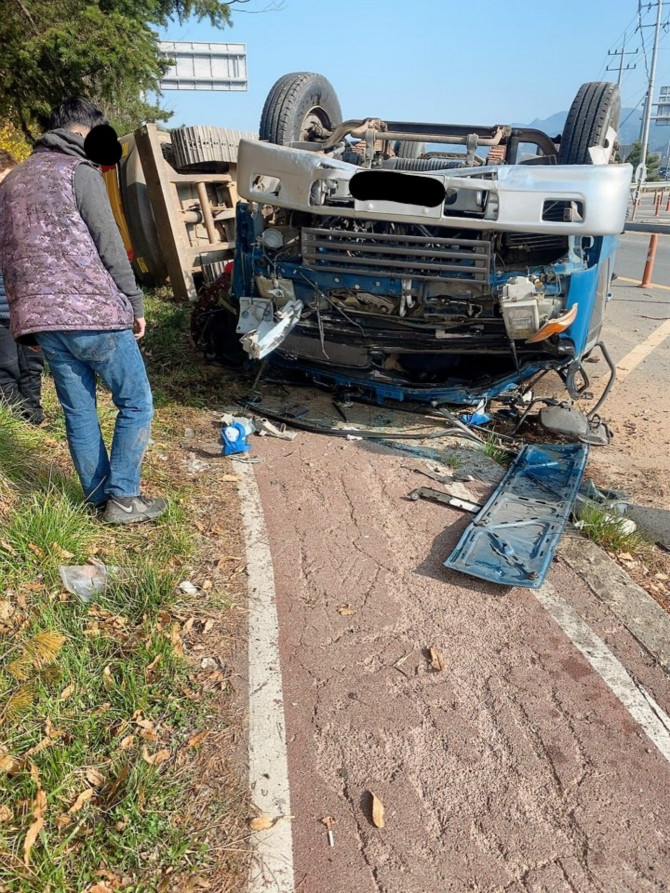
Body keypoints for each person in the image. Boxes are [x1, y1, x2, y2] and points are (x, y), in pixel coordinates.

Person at [0, 98, 166, 524]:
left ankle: (97, 497)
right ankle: (125, 498)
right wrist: (135, 302)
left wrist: (25, 317)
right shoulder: (79, 172)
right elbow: (108, 240)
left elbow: (10, 255)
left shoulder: (12, 181)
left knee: (79, 410)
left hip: (43, 319)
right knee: (135, 402)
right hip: (92, 312)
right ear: (84, 132)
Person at [0, 149, 45, 424]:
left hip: (29, 308)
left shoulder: (29, 211)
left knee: (32, 366)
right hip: (1, 311)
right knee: (6, 368)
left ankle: (34, 418)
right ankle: (19, 423)